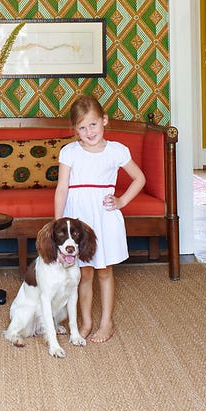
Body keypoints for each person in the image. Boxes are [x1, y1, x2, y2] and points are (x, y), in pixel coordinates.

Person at [54, 94, 145, 343]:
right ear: (75, 130)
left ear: (104, 120)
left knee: (104, 270)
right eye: (82, 127)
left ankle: (106, 321)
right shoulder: (69, 152)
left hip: (104, 218)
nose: (89, 131)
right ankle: (86, 322)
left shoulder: (117, 150)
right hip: (78, 221)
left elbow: (139, 178)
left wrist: (122, 201)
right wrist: (57, 223)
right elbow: (62, 189)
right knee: (83, 273)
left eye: (93, 124)